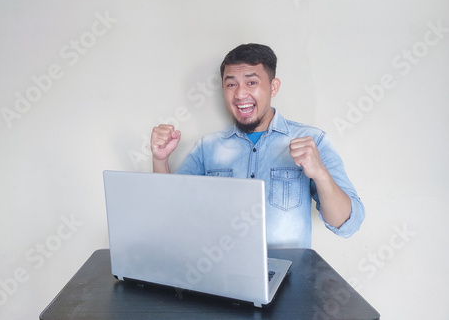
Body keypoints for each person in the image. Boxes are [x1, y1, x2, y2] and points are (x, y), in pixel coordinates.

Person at [150, 43, 364, 248]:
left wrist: (321, 174)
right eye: (231, 84)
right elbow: (172, 211)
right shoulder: (208, 147)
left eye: (251, 82)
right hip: (221, 277)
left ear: (273, 87)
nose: (240, 94)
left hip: (289, 279)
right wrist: (160, 159)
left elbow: (347, 225)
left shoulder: (312, 141)